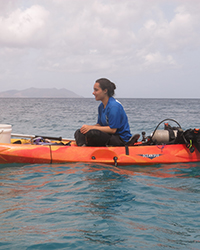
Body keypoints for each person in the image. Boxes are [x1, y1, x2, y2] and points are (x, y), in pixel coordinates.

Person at [74, 78, 137, 146]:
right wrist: (87, 127)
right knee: (79, 132)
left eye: (96, 90)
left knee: (93, 133)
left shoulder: (114, 106)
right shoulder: (101, 106)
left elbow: (113, 130)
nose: (93, 93)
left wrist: (91, 128)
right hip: (109, 135)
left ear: (105, 91)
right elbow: (100, 125)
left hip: (120, 138)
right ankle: (82, 147)